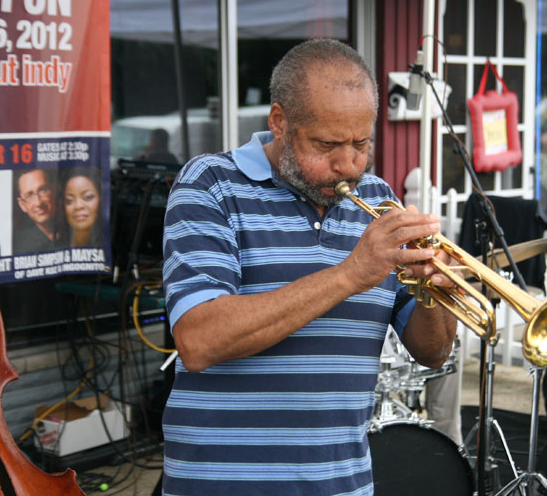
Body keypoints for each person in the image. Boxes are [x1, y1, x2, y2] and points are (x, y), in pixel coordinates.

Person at [161, 39, 457, 495]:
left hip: (341, 483)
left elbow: (432, 352)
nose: (347, 164)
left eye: (361, 143)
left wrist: (435, 293)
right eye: (326, 144)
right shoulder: (210, 185)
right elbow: (199, 339)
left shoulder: (380, 202)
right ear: (279, 121)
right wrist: (349, 274)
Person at [14, 169, 57, 254]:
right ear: (22, 205)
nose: (38, 202)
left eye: (42, 190)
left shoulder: (75, 230)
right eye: (29, 195)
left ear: (54, 190)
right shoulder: (18, 246)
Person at [57, 167, 103, 248]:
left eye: (88, 197)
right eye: (69, 200)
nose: (78, 206)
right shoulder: (51, 248)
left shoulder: (112, 248)